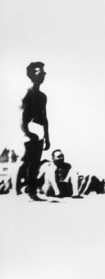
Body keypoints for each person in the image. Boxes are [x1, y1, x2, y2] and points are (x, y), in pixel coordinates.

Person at [19, 61, 50, 200]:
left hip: (38, 131)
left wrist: (47, 136)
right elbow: (20, 113)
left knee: (35, 163)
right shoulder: (26, 92)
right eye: (40, 72)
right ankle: (17, 191)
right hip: (26, 130)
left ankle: (32, 192)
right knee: (24, 161)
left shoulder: (43, 96)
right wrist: (26, 132)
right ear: (31, 74)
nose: (43, 74)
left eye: (44, 72)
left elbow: (44, 117)